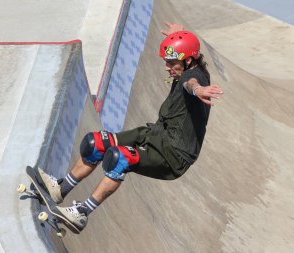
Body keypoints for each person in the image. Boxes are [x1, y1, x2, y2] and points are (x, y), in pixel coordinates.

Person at [38, 22, 224, 231]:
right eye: (167, 62)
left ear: (188, 60)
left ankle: (82, 213)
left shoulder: (194, 76)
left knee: (120, 158)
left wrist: (198, 90)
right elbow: (184, 58)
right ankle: (60, 189)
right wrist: (178, 37)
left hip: (174, 154)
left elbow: (191, 85)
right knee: (96, 144)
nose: (167, 67)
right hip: (155, 134)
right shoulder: (186, 64)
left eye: (172, 63)